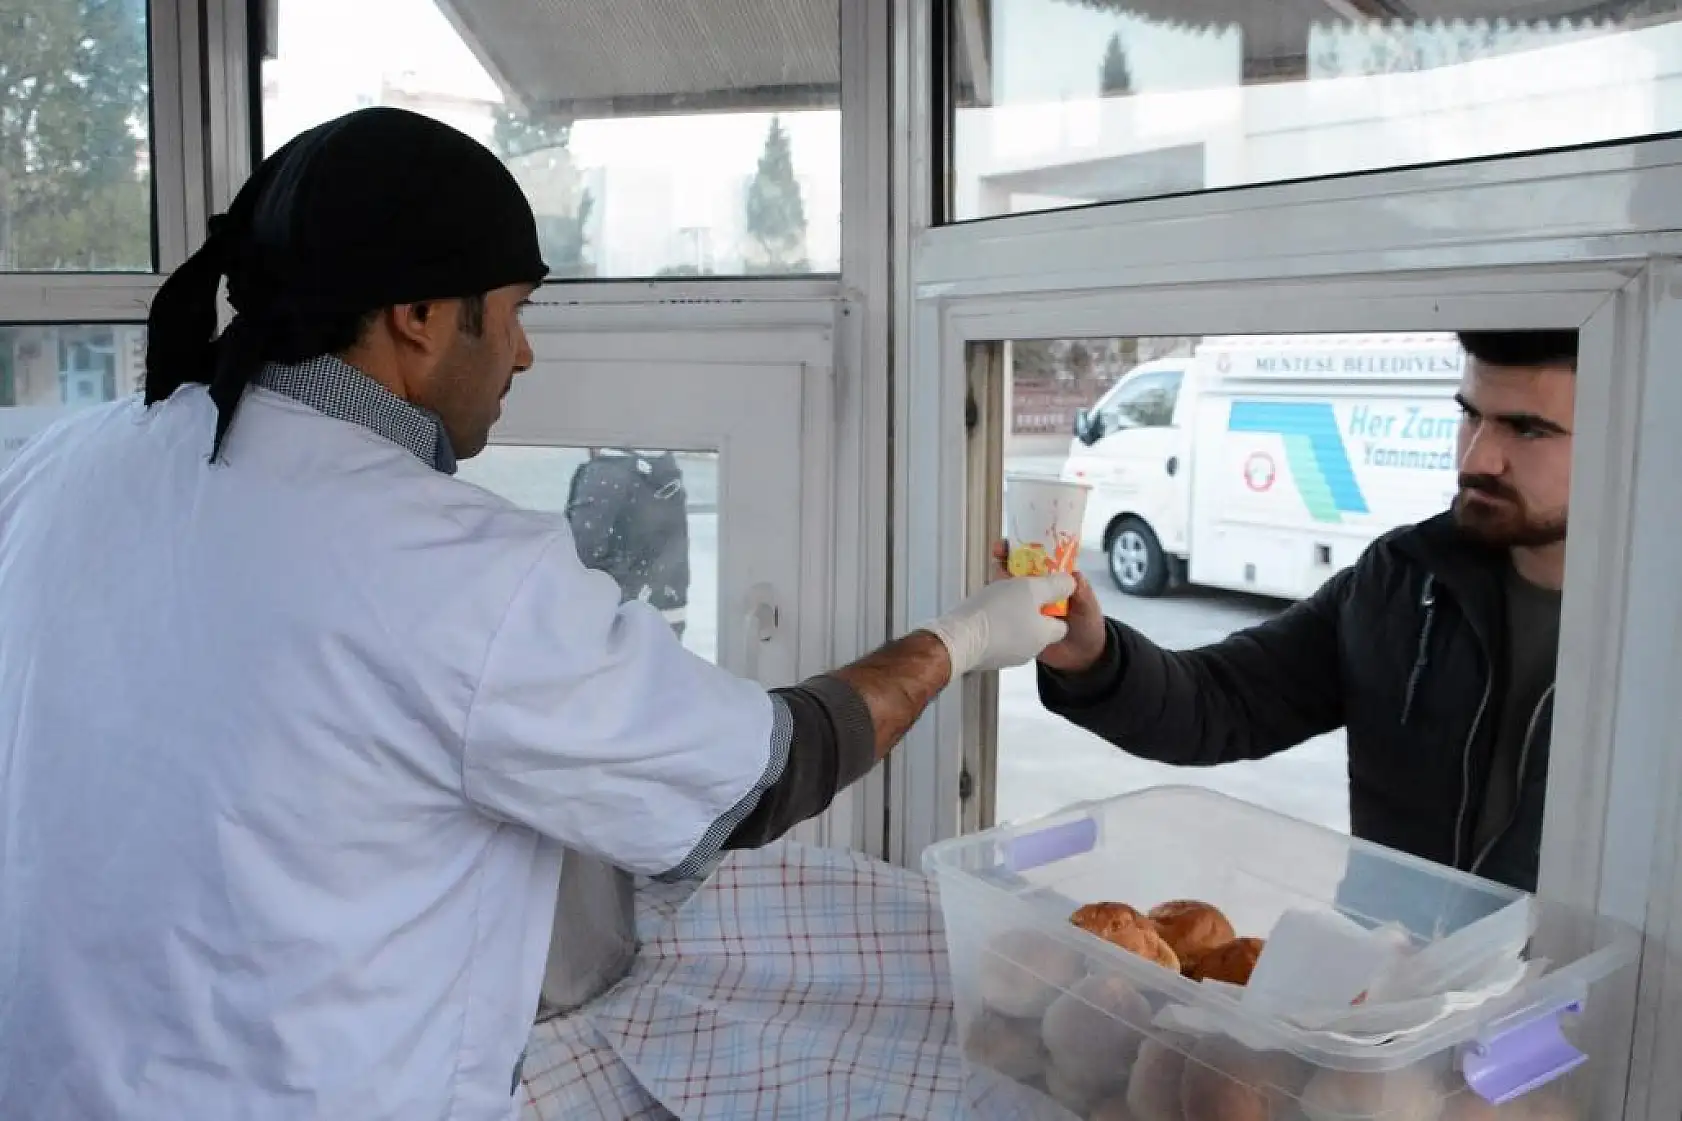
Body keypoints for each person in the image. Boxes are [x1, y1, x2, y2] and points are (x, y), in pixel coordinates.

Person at [0, 107, 1072, 1120]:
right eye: (514, 311)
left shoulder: (63, 461)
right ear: (419, 316)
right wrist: (964, 638)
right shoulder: (453, 569)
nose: (522, 351)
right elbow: (765, 769)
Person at [1020, 330, 1576, 898]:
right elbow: (1221, 701)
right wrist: (1094, 659)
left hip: (1578, 961)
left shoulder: (1633, 635)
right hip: (1386, 951)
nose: (1478, 457)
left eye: (1527, 429)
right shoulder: (1406, 579)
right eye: (1470, 416)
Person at [565, 447, 691, 639]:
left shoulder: (605, 476)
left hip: (614, 627)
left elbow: (581, 556)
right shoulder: (661, 475)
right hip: (663, 614)